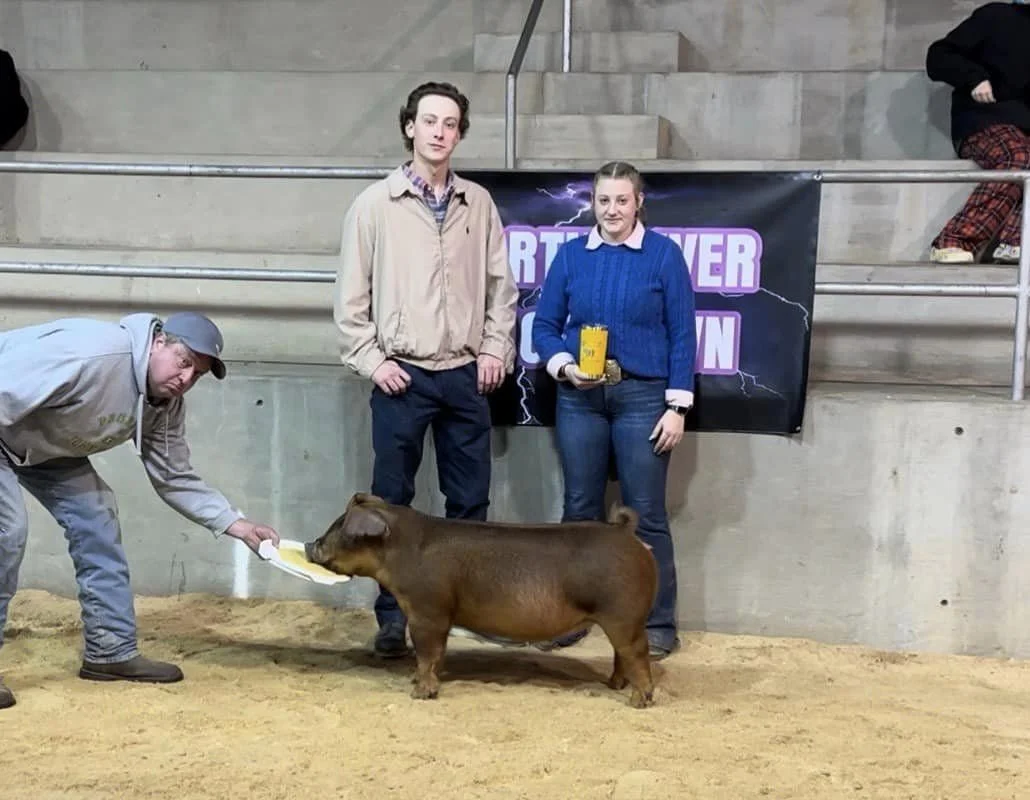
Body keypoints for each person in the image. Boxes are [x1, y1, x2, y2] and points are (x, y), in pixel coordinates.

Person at [0, 312, 281, 709]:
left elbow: (174, 476)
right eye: (184, 362)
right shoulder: (91, 355)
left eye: (197, 374)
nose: (186, 379)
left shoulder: (164, 404)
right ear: (159, 342)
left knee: (97, 516)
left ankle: (110, 650)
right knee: (7, 531)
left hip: (43, 446)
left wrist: (238, 525)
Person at [333, 81, 518, 658]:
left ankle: (468, 614)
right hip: (403, 378)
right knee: (390, 505)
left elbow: (501, 288)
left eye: (451, 124)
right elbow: (350, 300)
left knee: (471, 506)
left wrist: (495, 350)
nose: (440, 132)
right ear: (410, 127)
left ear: (460, 134)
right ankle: (394, 619)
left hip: (465, 375)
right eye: (430, 121)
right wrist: (373, 361)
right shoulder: (374, 205)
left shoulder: (478, 203)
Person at [531, 161, 697, 660]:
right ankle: (567, 618)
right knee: (579, 512)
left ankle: (658, 623)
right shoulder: (571, 256)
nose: (612, 210)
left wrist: (677, 406)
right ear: (593, 203)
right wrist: (564, 367)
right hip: (580, 398)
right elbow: (544, 327)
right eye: (604, 200)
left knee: (645, 514)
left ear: (638, 202)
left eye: (622, 200)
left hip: (643, 398)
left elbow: (683, 334)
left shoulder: (664, 255)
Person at [926, 1, 1030, 265]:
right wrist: (974, 77)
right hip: (984, 121)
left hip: (1024, 128)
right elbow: (939, 56)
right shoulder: (996, 16)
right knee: (1018, 156)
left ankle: (1016, 242)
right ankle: (953, 240)